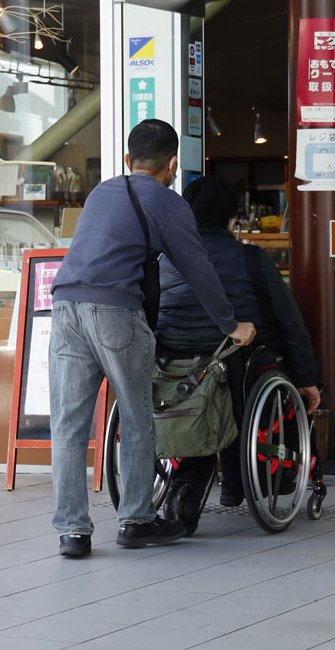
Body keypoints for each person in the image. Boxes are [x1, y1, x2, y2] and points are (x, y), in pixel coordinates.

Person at [48, 121, 256, 558]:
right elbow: (198, 269)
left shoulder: (101, 193)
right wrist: (229, 325)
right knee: (137, 416)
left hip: (65, 305)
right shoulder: (170, 205)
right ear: (173, 164)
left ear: (128, 160)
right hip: (115, 312)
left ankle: (72, 532)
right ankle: (137, 519)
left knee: (68, 424)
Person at [155, 176, 322, 530]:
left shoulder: (164, 260)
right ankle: (235, 485)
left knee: (226, 377)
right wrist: (307, 379)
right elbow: (291, 324)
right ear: (233, 221)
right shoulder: (251, 259)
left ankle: (202, 483)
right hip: (239, 371)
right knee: (245, 374)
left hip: (173, 367)